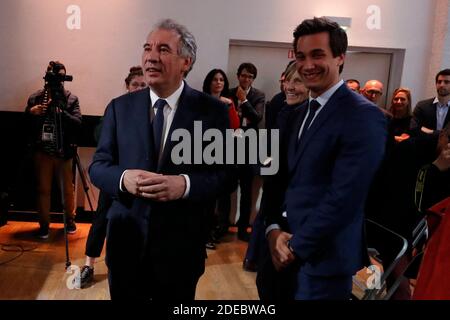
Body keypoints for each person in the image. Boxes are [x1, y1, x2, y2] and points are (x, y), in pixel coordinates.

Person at [89, 19, 229, 300]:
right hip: (125, 244)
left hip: (180, 249)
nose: (151, 56)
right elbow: (98, 167)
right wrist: (122, 179)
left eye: (163, 49)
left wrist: (185, 185)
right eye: (147, 48)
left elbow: (226, 176)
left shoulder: (212, 112)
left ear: (186, 62)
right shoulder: (120, 108)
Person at [260, 17, 386, 300]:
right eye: (301, 56)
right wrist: (272, 230)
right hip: (278, 252)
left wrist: (295, 247)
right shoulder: (295, 113)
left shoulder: (363, 116)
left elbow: (345, 197)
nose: (307, 65)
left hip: (322, 262)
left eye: (318, 55)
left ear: (341, 57)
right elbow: (277, 179)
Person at [80, 66, 147, 288]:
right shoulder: (117, 107)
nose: (139, 88)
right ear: (127, 86)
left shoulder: (151, 110)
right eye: (135, 84)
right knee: (100, 220)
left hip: (137, 182)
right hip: (114, 177)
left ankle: (123, 268)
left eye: (143, 85)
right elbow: (100, 136)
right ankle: (89, 264)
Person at [244, 62, 308, 273]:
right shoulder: (284, 110)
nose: (290, 86)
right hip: (277, 202)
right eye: (287, 80)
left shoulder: (309, 118)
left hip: (296, 213)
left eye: (297, 81)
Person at [25, 61, 82, 239]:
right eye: (53, 75)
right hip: (42, 151)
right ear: (46, 76)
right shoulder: (36, 97)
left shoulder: (71, 98)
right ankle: (43, 225)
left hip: (64, 152)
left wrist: (61, 113)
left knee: (67, 190)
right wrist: (30, 112)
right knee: (43, 189)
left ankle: (70, 221)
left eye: (61, 76)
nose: (57, 80)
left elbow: (78, 123)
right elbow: (24, 126)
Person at [201, 68, 239, 250]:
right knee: (205, 196)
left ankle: (219, 229)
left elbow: (235, 126)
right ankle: (205, 233)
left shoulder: (228, 102)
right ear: (209, 82)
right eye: (215, 79)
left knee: (223, 194)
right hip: (202, 152)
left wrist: (229, 106)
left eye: (221, 80)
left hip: (224, 153)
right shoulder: (200, 100)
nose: (218, 83)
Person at [229, 62, 265, 241]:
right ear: (238, 76)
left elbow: (257, 118)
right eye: (243, 75)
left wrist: (244, 100)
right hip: (228, 145)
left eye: (250, 76)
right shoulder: (228, 92)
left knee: (246, 190)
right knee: (226, 187)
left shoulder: (258, 95)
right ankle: (223, 224)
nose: (246, 79)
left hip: (248, 146)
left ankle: (243, 228)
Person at [411, 68, 450, 135]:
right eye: (439, 82)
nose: (441, 85)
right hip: (424, 144)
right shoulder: (422, 106)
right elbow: (414, 128)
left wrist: (431, 132)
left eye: (446, 82)